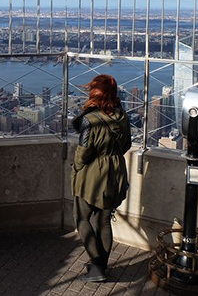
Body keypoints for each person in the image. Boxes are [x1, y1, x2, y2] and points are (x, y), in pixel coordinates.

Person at [71, 74, 132, 283]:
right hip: (116, 172)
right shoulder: (121, 115)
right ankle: (102, 266)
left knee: (82, 218)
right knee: (104, 221)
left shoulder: (90, 120)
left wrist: (77, 168)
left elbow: (84, 151)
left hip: (93, 175)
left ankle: (96, 267)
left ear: (94, 92)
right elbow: (127, 145)